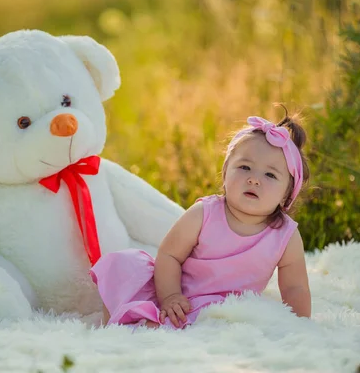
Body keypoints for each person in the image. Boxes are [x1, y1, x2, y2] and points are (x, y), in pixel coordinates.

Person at [90, 110, 312, 329]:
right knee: (125, 266)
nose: (254, 179)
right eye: (244, 167)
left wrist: (300, 325)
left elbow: (295, 288)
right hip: (177, 290)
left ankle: (150, 323)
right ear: (225, 174)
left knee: (193, 323)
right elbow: (169, 255)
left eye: (270, 175)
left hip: (224, 306)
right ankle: (123, 320)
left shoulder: (285, 235)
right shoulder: (204, 213)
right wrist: (170, 296)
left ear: (287, 194)